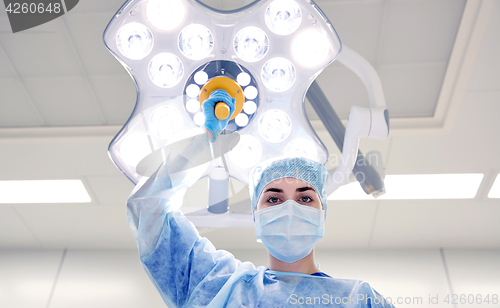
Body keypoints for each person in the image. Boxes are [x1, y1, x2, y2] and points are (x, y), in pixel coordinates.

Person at [126, 90, 395, 307]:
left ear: (323, 213)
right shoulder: (216, 284)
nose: (290, 208)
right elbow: (149, 208)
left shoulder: (358, 300)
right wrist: (203, 143)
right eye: (274, 200)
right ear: (256, 215)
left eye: (304, 199)